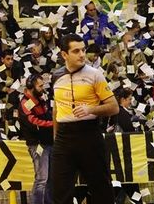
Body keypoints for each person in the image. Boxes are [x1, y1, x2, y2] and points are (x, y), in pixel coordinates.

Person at [51, 34, 119, 204]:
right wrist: (56, 137)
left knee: (101, 188)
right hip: (63, 138)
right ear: (64, 54)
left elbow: (114, 107)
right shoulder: (55, 76)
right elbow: (56, 108)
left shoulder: (95, 75)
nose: (82, 54)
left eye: (83, 50)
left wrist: (91, 109)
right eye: (76, 51)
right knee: (60, 190)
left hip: (89, 134)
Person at [19, 73, 53, 204]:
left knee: (49, 179)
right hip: (37, 144)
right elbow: (33, 122)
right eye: (40, 86)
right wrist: (52, 124)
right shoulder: (26, 103)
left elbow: (46, 114)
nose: (43, 88)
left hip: (48, 142)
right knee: (42, 179)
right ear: (31, 87)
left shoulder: (41, 98)